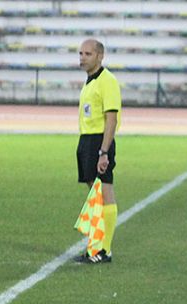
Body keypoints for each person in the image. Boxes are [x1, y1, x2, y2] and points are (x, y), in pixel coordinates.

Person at [75, 38, 120, 264]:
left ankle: (104, 249)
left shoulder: (107, 80)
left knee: (105, 193)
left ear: (100, 56)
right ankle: (95, 247)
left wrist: (104, 151)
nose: (83, 58)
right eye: (81, 53)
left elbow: (111, 118)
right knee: (95, 195)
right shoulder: (90, 81)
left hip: (99, 142)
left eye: (88, 54)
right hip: (87, 140)